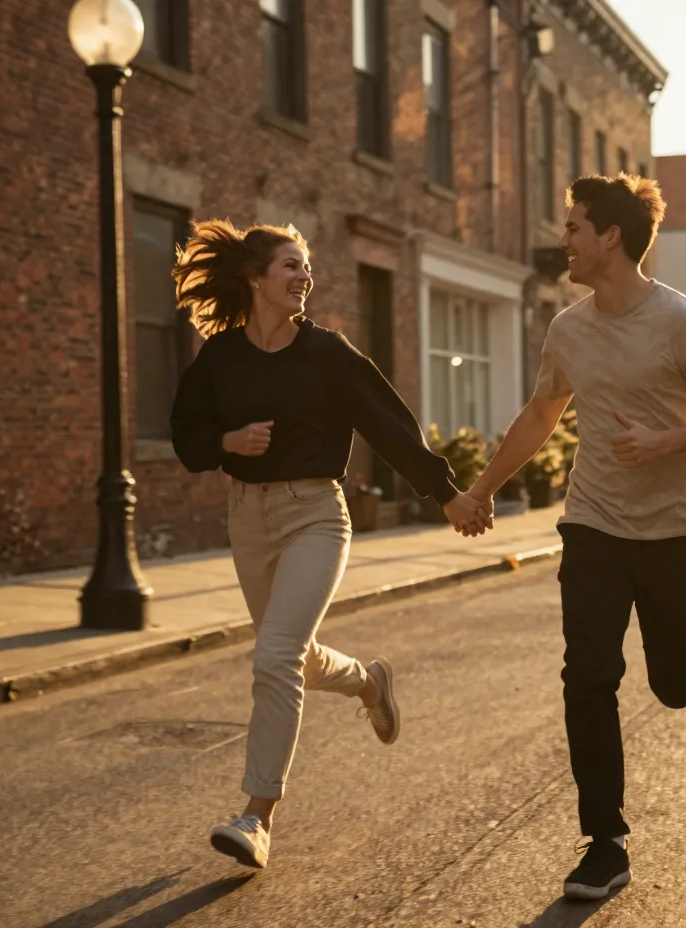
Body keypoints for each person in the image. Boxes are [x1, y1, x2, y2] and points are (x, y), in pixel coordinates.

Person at [461, 175, 686, 900]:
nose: (563, 240)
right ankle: (605, 842)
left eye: (573, 228)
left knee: (670, 685)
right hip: (592, 523)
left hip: (676, 529)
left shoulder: (683, 320)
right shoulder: (568, 329)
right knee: (587, 675)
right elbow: (540, 414)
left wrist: (663, 441)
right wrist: (482, 488)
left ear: (610, 237)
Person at [169, 219, 489, 870]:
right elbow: (185, 432)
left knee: (274, 657)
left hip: (315, 513)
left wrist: (446, 493)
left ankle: (256, 818)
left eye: (306, 266)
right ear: (255, 277)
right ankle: (369, 683)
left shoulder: (328, 353)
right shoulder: (221, 357)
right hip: (247, 517)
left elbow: (389, 424)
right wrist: (226, 443)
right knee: (288, 654)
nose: (303, 276)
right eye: (290, 265)